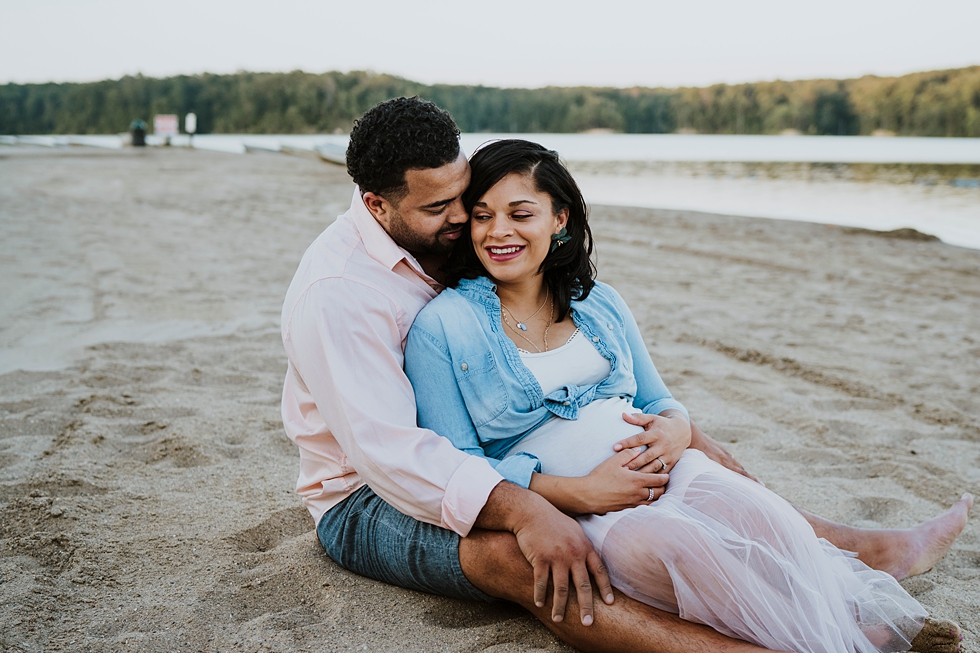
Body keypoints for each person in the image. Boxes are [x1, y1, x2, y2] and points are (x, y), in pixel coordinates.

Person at [281, 97, 971, 652]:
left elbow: (621, 369)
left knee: (713, 462)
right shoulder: (339, 295)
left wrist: (678, 429)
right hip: (367, 493)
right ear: (377, 205)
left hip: (507, 461)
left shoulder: (464, 242)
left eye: (467, 197)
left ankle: (853, 553)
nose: (466, 222)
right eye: (443, 211)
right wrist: (541, 507)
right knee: (527, 559)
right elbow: (395, 457)